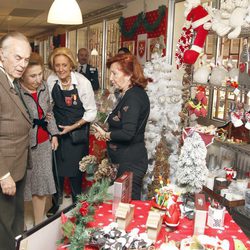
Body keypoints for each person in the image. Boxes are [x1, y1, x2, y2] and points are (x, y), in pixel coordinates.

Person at [46, 47, 97, 215]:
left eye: (64, 65)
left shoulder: (83, 83)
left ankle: (77, 203)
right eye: (57, 65)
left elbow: (91, 112)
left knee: (76, 171)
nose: (60, 69)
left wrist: (72, 127)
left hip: (77, 133)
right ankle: (56, 202)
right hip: (58, 134)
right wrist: (53, 132)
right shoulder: (51, 80)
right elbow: (49, 108)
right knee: (56, 170)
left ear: (71, 65)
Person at [92, 53, 150, 200]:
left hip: (131, 163)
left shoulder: (133, 97)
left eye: (114, 73)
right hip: (126, 161)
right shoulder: (129, 94)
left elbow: (128, 133)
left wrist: (107, 135)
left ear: (129, 74)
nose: (111, 78)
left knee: (128, 208)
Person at [0, 32, 32, 250]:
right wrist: (3, 175)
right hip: (6, 170)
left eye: (26, 59)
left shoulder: (12, 81)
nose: (22, 65)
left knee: (14, 223)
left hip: (17, 166)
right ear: (2, 54)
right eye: (17, 58)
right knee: (4, 227)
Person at [19, 52, 59, 225]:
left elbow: (49, 112)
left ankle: (38, 223)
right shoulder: (16, 91)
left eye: (39, 74)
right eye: (32, 76)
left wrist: (54, 134)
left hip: (43, 143)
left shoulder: (44, 88)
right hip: (24, 145)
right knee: (22, 185)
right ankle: (17, 226)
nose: (37, 79)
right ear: (22, 75)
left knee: (41, 186)